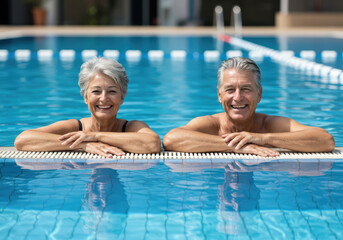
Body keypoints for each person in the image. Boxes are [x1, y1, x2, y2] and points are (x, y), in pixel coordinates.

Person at [163, 57, 335, 157]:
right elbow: (171, 139)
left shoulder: (269, 125)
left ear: (259, 94)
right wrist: (235, 146)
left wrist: (262, 138)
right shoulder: (211, 125)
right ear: (219, 95)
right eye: (230, 90)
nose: (237, 97)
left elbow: (325, 140)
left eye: (246, 89)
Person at [15, 57, 161, 157]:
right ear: (85, 97)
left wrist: (95, 136)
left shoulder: (131, 127)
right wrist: (83, 145)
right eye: (96, 91)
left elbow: (152, 144)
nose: (103, 98)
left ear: (122, 97)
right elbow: (23, 140)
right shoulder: (75, 127)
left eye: (112, 91)